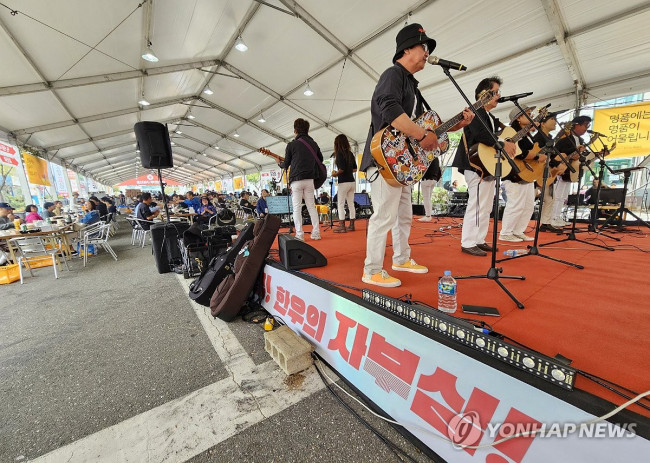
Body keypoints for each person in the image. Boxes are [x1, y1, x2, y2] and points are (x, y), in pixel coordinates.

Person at [359, 23, 474, 287]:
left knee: (403, 216)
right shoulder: (393, 74)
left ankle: (401, 258)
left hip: (402, 165)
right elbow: (389, 109)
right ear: (406, 49)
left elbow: (427, 127)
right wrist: (423, 136)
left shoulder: (412, 85)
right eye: (423, 47)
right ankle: (372, 269)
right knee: (384, 216)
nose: (426, 53)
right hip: (384, 161)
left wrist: (455, 125)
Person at [452, 76, 516, 256]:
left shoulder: (488, 115)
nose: (498, 96)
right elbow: (482, 135)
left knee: (486, 205)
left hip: (484, 166)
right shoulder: (476, 111)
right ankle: (468, 242)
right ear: (485, 94)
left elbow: (497, 134)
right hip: (474, 165)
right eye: (495, 92)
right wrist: (503, 144)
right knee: (477, 204)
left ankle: (479, 239)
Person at [499, 105, 543, 242]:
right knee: (515, 204)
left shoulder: (526, 133)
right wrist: (536, 157)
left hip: (526, 173)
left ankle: (518, 231)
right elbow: (519, 152)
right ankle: (506, 232)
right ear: (518, 117)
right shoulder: (512, 132)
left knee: (529, 205)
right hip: (514, 174)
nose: (531, 116)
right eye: (528, 113)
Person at [278, 118, 323, 241]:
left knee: (297, 207)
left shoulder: (291, 145)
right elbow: (321, 159)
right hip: (310, 179)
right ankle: (316, 233)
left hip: (296, 180)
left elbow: (286, 164)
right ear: (307, 130)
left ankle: (300, 234)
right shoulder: (313, 144)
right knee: (311, 207)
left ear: (295, 130)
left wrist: (279, 163)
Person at [551, 115, 592, 228]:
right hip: (562, 169)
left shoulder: (581, 140)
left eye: (588, 125)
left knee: (563, 195)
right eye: (585, 125)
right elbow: (558, 153)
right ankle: (552, 217)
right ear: (576, 125)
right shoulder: (565, 139)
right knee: (557, 195)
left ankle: (557, 216)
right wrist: (574, 152)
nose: (586, 128)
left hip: (571, 170)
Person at [534, 111, 566, 233]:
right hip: (536, 171)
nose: (555, 121)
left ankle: (545, 222)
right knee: (528, 199)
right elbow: (539, 155)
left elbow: (551, 157)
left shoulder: (550, 139)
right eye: (552, 119)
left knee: (550, 198)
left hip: (547, 171)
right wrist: (556, 164)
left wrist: (556, 164)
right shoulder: (537, 138)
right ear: (542, 123)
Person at [331, 134, 358, 232]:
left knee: (340, 204)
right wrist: (348, 170)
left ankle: (342, 226)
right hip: (352, 182)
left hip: (343, 182)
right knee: (351, 204)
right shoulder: (350, 153)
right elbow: (355, 169)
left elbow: (341, 169)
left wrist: (335, 174)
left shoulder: (339, 154)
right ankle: (351, 225)